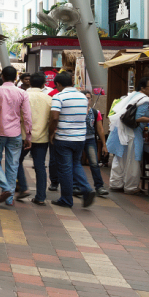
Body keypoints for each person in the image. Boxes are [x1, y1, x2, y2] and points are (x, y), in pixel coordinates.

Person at [0, 66, 32, 206]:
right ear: (16, 77)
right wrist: (28, 135)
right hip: (15, 133)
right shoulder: (22, 93)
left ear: (2, 77)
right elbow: (27, 116)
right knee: (13, 165)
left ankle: (5, 188)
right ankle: (9, 199)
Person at [48, 71, 96, 208]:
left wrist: (51, 133)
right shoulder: (82, 97)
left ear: (58, 84)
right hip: (80, 138)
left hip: (64, 137)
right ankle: (86, 189)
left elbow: (55, 117)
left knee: (65, 169)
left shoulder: (59, 96)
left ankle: (66, 199)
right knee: (76, 164)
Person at [106, 77, 149, 194]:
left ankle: (116, 184)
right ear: (143, 88)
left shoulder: (131, 96)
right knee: (132, 160)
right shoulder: (145, 100)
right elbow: (138, 118)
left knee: (119, 158)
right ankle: (130, 187)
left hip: (120, 131)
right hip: (132, 133)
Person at [17, 72, 52, 205]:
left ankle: (24, 187)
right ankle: (41, 196)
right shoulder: (48, 99)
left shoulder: (24, 96)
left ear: (30, 82)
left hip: (24, 136)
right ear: (44, 84)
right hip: (42, 137)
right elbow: (52, 118)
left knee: (16, 161)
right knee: (40, 166)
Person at [82, 89, 110, 197]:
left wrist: (104, 145)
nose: (86, 100)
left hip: (90, 140)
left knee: (94, 163)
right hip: (77, 139)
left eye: (88, 98)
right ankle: (75, 185)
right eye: (84, 98)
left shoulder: (95, 112)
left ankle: (99, 186)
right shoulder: (76, 111)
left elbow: (100, 129)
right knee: (75, 163)